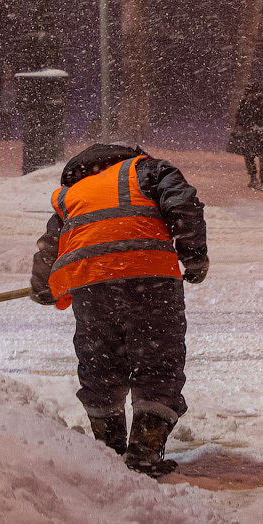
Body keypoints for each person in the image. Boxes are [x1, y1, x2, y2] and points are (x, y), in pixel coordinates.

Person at [29, 142, 209, 476]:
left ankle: (108, 454)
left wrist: (43, 284)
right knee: (158, 360)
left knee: (100, 361)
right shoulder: (147, 169)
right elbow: (183, 204)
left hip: (92, 284)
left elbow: (52, 244)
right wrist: (193, 254)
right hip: (149, 276)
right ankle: (143, 455)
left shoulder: (71, 195)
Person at [227, 84, 263, 190]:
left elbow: (240, 119)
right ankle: (260, 180)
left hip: (255, 136)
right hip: (262, 136)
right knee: (261, 158)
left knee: (252, 158)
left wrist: (247, 128)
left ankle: (255, 179)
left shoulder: (248, 103)